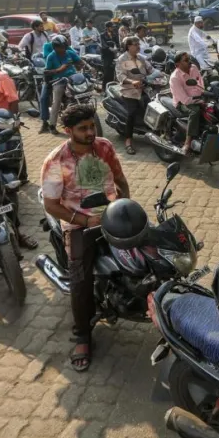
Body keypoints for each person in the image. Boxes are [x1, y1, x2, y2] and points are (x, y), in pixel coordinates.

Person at [41, 104, 130, 372]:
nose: (90, 132)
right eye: (83, 128)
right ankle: (82, 334)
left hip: (112, 213)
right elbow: (52, 205)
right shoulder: (56, 160)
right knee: (80, 277)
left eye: (92, 126)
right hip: (78, 222)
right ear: (68, 131)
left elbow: (120, 179)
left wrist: (127, 205)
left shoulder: (104, 147)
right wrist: (84, 220)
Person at [115, 36, 154, 155]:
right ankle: (128, 141)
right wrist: (132, 82)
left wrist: (162, 73)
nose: (138, 46)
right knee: (131, 113)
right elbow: (120, 76)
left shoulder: (141, 58)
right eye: (135, 44)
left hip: (144, 89)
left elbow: (151, 69)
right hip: (129, 91)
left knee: (154, 107)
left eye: (138, 44)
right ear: (128, 46)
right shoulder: (122, 59)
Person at [44, 36, 82, 136]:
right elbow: (46, 71)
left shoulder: (70, 53)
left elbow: (80, 62)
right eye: (60, 47)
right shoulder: (51, 56)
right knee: (56, 102)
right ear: (55, 47)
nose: (63, 50)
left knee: (83, 92)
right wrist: (59, 70)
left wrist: (80, 64)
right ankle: (52, 125)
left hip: (72, 79)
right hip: (59, 81)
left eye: (64, 47)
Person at [169, 52, 205, 154]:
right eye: (185, 60)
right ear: (177, 65)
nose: (189, 61)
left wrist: (204, 94)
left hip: (198, 98)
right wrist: (199, 101)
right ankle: (187, 142)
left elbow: (201, 82)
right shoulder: (174, 78)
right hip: (183, 103)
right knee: (195, 111)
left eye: (189, 59)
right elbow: (184, 100)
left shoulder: (193, 68)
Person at [99, 21, 118, 87]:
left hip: (113, 55)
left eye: (113, 27)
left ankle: (111, 86)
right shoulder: (102, 35)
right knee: (107, 72)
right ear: (107, 27)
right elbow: (103, 44)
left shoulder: (114, 34)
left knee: (112, 71)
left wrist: (117, 48)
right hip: (106, 55)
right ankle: (104, 87)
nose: (113, 28)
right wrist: (110, 48)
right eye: (111, 27)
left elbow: (117, 43)